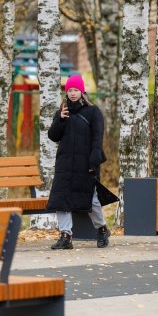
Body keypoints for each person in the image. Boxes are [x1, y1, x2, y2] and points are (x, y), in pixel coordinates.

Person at [47, 74, 110, 250]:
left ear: (82, 91)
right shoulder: (61, 111)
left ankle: (102, 229)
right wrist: (60, 119)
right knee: (61, 199)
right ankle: (65, 236)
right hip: (65, 164)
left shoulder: (93, 112)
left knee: (92, 200)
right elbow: (53, 136)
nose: (72, 93)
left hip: (85, 163)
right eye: (69, 90)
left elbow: (97, 139)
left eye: (75, 90)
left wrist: (94, 162)